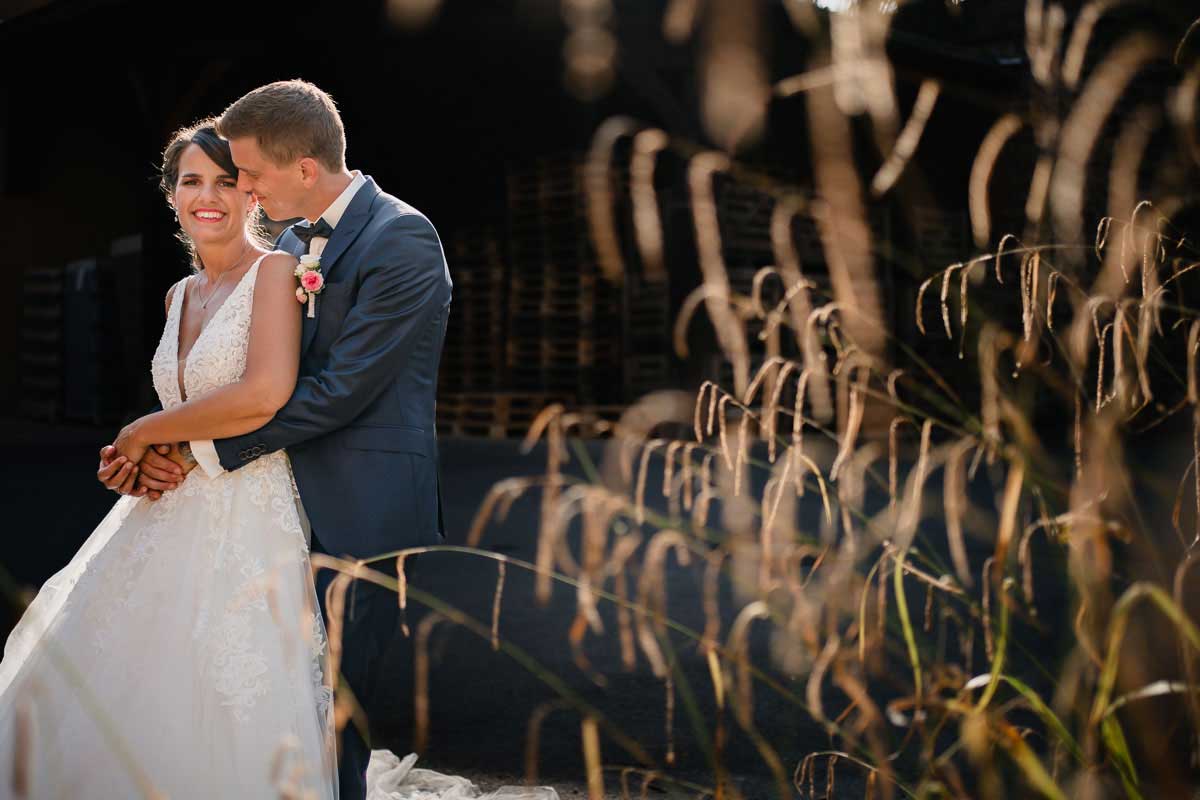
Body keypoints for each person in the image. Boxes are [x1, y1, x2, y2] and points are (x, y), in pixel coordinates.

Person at [97, 80, 454, 799]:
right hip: (277, 503)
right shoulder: (290, 246)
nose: (246, 191)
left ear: (304, 169)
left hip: (364, 503)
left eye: (251, 174)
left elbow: (337, 392)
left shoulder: (403, 239)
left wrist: (191, 451)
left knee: (337, 703)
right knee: (272, 696)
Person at [0, 118, 339, 797]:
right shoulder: (177, 295)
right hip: (163, 509)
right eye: (191, 180)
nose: (207, 195)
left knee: (216, 692)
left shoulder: (276, 273)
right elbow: (187, 409)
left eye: (226, 181)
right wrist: (134, 456)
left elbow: (264, 392)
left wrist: (147, 429)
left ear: (253, 197)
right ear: (172, 195)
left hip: (247, 515)